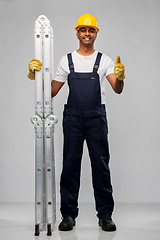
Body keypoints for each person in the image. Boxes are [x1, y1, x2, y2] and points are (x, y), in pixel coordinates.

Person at [28, 13, 125, 232]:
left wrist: (120, 76)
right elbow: (51, 91)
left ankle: (105, 215)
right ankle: (68, 215)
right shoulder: (67, 60)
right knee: (70, 165)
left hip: (96, 118)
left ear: (96, 33)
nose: (87, 33)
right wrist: (35, 75)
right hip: (73, 118)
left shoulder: (105, 60)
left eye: (91, 30)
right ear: (77, 32)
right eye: (83, 30)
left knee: (100, 165)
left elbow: (117, 89)